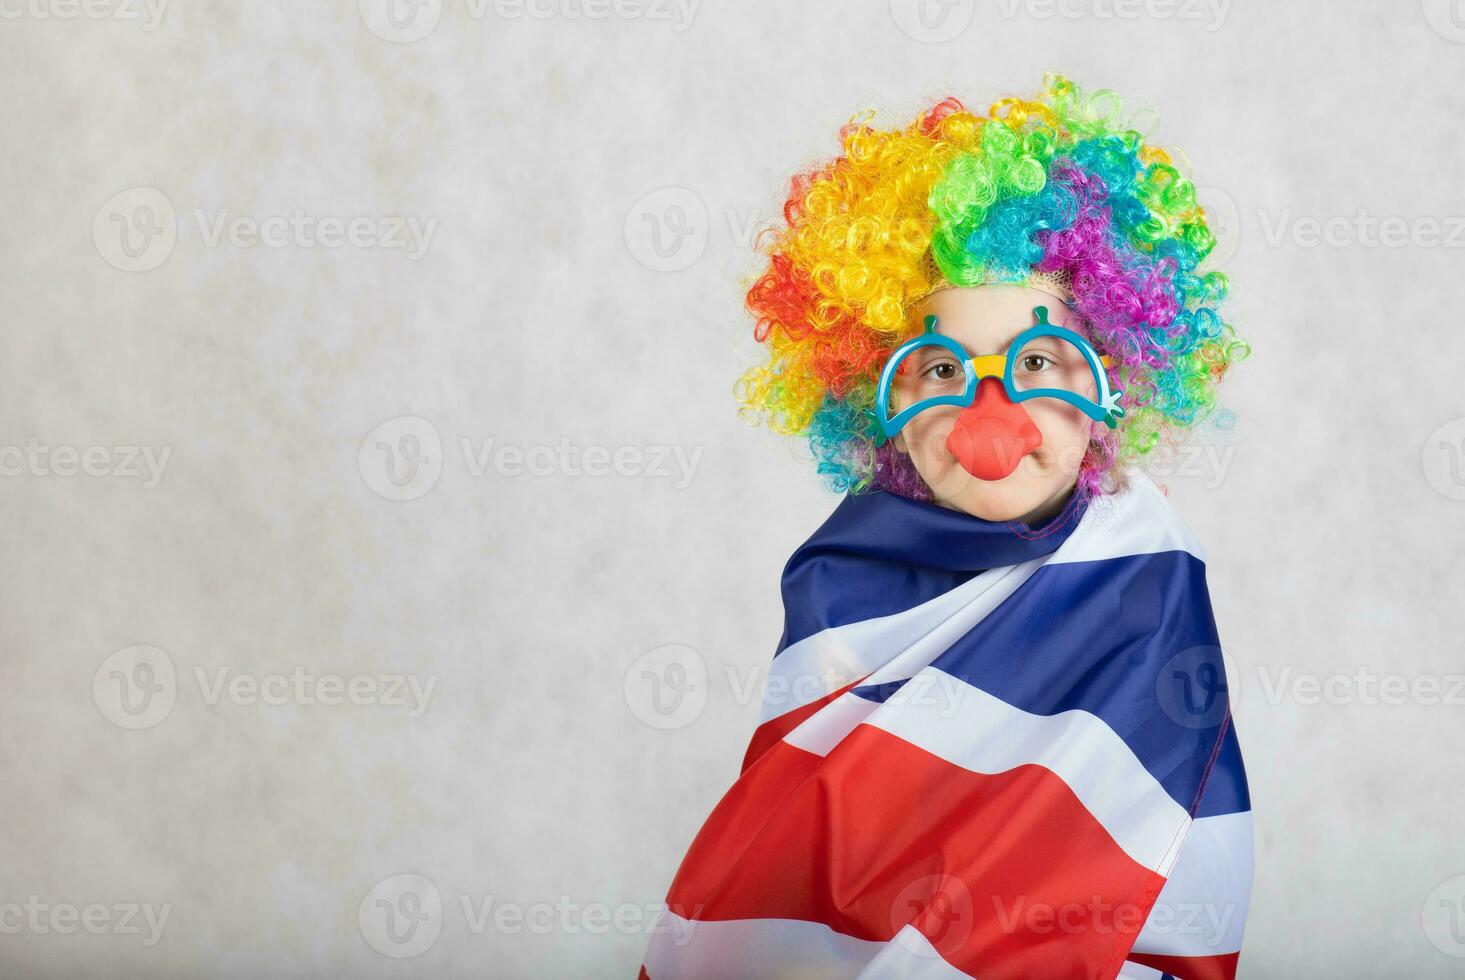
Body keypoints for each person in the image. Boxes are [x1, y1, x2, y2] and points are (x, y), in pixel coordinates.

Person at [642, 75, 1252, 980]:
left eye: (1039, 360)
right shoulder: (841, 579)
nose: (990, 410)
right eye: (937, 368)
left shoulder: (1141, 578)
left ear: (1111, 380)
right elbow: (804, 834)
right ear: (869, 396)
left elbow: (1155, 841)